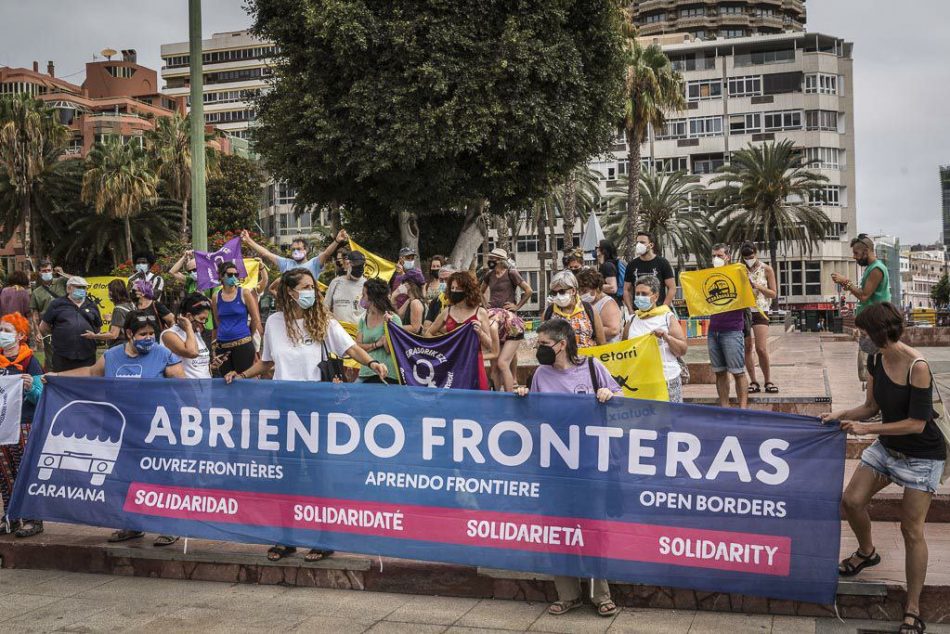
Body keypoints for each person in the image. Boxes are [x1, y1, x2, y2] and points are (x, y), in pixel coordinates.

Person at [225, 267, 387, 562]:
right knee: (285, 476)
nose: (311, 292)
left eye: (313, 286)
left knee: (317, 475)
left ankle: (325, 538)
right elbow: (266, 363)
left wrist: (373, 362)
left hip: (317, 411)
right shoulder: (274, 323)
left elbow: (350, 348)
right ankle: (286, 538)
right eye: (305, 286)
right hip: (284, 408)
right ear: (290, 291)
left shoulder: (323, 321)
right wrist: (242, 375)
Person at [823, 302, 944, 634]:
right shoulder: (876, 358)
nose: (858, 336)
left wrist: (867, 430)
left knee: (911, 530)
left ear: (877, 332)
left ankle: (913, 608)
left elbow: (917, 425)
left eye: (862, 331)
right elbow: (870, 406)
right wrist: (840, 414)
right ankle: (867, 552)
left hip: (922, 456)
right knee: (851, 500)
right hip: (888, 449)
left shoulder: (916, 365)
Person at [50, 309, 184, 545]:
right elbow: (91, 373)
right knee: (125, 477)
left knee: (160, 476)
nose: (149, 338)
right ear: (129, 333)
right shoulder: (112, 356)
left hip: (155, 430)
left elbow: (182, 384)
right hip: (121, 430)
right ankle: (132, 525)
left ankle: (169, 525)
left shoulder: (163, 354)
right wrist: (57, 376)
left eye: (152, 333)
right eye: (143, 333)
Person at [515, 319, 620, 618]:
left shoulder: (591, 368)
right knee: (557, 529)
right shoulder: (540, 375)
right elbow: (535, 413)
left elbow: (620, 395)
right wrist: (523, 398)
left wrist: (608, 396)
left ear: (562, 344)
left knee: (593, 528)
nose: (539, 350)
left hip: (589, 462)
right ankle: (568, 594)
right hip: (554, 464)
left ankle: (601, 595)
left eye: (544, 345)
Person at [0, 312, 45, 538]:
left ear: (20, 335)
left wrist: (29, 388)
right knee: (4, 472)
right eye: (1, 330)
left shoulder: (29, 360)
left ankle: (32, 518)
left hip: (24, 423)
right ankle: (10, 515)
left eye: (6, 331)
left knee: (24, 469)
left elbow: (41, 396)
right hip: (1, 424)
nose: (2, 335)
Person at [832, 234, 891, 387]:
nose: (854, 257)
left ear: (867, 251)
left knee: (869, 367)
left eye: (856, 253)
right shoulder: (871, 268)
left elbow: (864, 295)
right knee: (868, 367)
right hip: (870, 324)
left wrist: (845, 282)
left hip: (876, 324)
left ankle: (875, 402)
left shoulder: (876, 269)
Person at [623, 275, 688, 402]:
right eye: (637, 293)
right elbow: (624, 351)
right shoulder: (631, 320)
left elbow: (682, 350)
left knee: (671, 420)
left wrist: (666, 337)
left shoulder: (666, 317)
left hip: (666, 379)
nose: (640, 297)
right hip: (640, 382)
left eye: (644, 294)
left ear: (656, 296)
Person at [427, 271, 495, 391]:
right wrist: (442, 345)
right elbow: (428, 333)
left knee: (477, 399)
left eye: (458, 288)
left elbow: (490, 345)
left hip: (473, 364)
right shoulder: (446, 312)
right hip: (451, 363)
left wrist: (480, 332)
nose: (454, 291)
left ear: (467, 290)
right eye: (452, 288)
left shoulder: (480, 312)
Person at [707, 245, 749, 408]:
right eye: (713, 255)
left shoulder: (737, 273)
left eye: (719, 255)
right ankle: (725, 408)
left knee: (738, 371)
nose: (716, 258)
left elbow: (748, 294)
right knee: (719, 372)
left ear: (728, 257)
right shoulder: (707, 276)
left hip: (732, 329)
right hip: (713, 330)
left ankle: (743, 409)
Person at [212, 261, 263, 378]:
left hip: (243, 344)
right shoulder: (216, 296)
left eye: (236, 274)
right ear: (221, 276)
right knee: (225, 381)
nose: (234, 277)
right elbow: (217, 321)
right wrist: (214, 345)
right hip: (222, 345)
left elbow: (255, 318)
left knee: (243, 379)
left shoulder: (244, 293)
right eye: (230, 275)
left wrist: (248, 336)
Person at [39, 276, 102, 372]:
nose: (82, 290)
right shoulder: (57, 304)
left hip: (87, 355)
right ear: (68, 288)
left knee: (86, 383)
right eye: (78, 287)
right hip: (63, 356)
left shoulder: (92, 305)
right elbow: (43, 327)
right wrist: (60, 333)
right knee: (62, 383)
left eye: (84, 287)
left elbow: (97, 328)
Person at [740, 241, 779, 394]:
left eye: (750, 256)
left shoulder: (766, 269)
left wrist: (758, 286)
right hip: (744, 310)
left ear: (756, 254)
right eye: (745, 257)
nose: (748, 259)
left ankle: (768, 380)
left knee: (761, 348)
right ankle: (753, 381)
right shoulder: (740, 269)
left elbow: (773, 293)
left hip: (760, 310)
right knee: (747, 348)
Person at [241, 228, 347, 280]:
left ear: (306, 250)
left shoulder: (314, 263)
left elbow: (326, 253)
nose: (295, 251)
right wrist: (249, 241)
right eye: (293, 249)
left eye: (299, 249)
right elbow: (266, 253)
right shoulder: (285, 263)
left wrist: (337, 241)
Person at [542, 271, 606, 348]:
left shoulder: (589, 310)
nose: (558, 296)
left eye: (562, 291)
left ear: (573, 291)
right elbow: (543, 343)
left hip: (586, 358)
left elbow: (602, 343)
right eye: (554, 293)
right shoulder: (549, 312)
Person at [356, 278, 401, 385]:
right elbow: (357, 347)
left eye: (364, 295)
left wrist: (389, 326)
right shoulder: (363, 319)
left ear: (371, 297)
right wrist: (376, 344)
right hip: (366, 373)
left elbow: (391, 349)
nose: (362, 298)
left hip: (387, 375)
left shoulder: (393, 318)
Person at [161, 293, 213, 379]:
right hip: (187, 390)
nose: (203, 323)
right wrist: (188, 327)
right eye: (201, 318)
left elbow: (198, 365)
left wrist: (212, 365)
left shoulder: (196, 332)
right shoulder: (168, 334)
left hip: (206, 388)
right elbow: (193, 352)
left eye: (205, 319)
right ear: (189, 316)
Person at [623, 231, 675, 312]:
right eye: (637, 242)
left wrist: (664, 308)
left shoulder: (662, 263)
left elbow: (672, 287)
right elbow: (626, 289)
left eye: (642, 242)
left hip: (658, 310)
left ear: (651, 245)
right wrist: (630, 310)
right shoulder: (632, 265)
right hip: (638, 312)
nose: (638, 245)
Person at [29, 260, 69, 362]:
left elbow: (79, 282)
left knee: (68, 350)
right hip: (47, 327)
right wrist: (37, 332)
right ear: (39, 272)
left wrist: (62, 273)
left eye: (49, 270)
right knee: (51, 355)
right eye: (44, 271)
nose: (47, 273)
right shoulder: (36, 292)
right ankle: (52, 373)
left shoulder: (62, 282)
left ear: (52, 270)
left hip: (65, 322)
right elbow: (35, 314)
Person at [81, 280, 135, 349]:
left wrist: (94, 336)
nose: (108, 293)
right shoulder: (131, 304)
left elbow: (113, 335)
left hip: (121, 345)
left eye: (109, 290)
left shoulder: (118, 309)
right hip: (131, 343)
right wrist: (113, 318)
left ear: (112, 293)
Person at [576, 269, 622, 344]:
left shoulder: (608, 303)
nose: (581, 294)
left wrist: (585, 329)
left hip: (607, 349)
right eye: (579, 291)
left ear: (597, 288)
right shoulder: (588, 302)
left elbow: (613, 330)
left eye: (584, 291)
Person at [323, 251, 367, 325]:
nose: (357, 268)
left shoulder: (367, 285)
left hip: (358, 332)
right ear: (347, 264)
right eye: (354, 265)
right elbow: (325, 307)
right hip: (338, 331)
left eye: (360, 265)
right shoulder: (336, 283)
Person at [423, 264, 456, 332]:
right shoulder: (436, 301)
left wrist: (434, 328)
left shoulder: (461, 301)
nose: (444, 283)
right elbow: (426, 328)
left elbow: (456, 330)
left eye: (447, 279)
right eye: (441, 280)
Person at [392, 269, 426, 334]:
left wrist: (395, 327)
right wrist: (393, 298)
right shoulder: (410, 300)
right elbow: (397, 316)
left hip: (412, 341)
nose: (401, 285)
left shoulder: (415, 302)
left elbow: (415, 328)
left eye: (403, 282)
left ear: (408, 284)